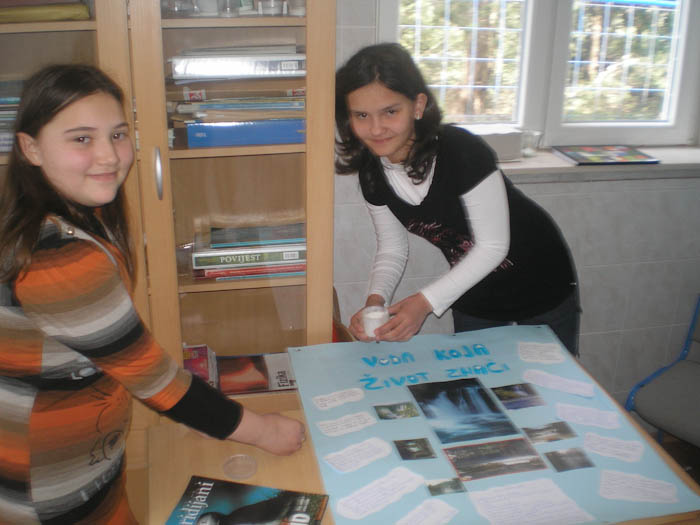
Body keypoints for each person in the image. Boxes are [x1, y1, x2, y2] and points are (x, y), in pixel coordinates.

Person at [0, 64, 305, 524]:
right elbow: (154, 379)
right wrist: (262, 430)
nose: (109, 155)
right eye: (81, 139)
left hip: (83, 466)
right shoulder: (58, 258)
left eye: (118, 135)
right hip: (47, 491)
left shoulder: (72, 221)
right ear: (31, 148)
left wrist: (216, 418)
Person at [335, 43, 580, 355]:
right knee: (476, 379)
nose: (376, 128)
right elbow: (392, 248)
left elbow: (493, 246)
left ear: (418, 105)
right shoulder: (372, 173)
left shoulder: (461, 151)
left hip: (542, 281)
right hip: (473, 288)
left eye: (390, 111)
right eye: (361, 115)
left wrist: (423, 303)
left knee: (549, 380)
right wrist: (375, 302)